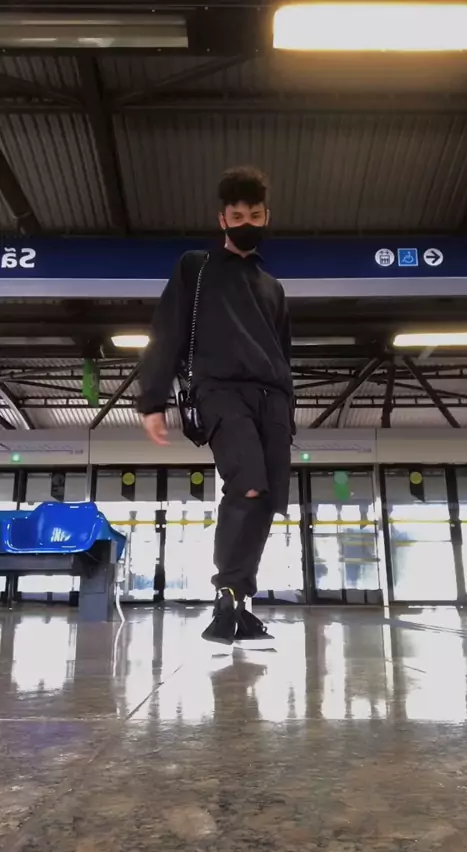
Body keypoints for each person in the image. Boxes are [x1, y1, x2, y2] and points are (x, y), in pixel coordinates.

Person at [139, 166, 294, 646]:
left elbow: (284, 352)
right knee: (247, 484)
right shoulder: (197, 266)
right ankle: (226, 592)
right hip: (221, 391)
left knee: (268, 498)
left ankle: (238, 601)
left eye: (255, 215)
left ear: (266, 217)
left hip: (274, 400)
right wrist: (152, 399)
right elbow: (167, 330)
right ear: (222, 220)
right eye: (237, 216)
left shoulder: (273, 286)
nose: (247, 222)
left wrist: (289, 412)